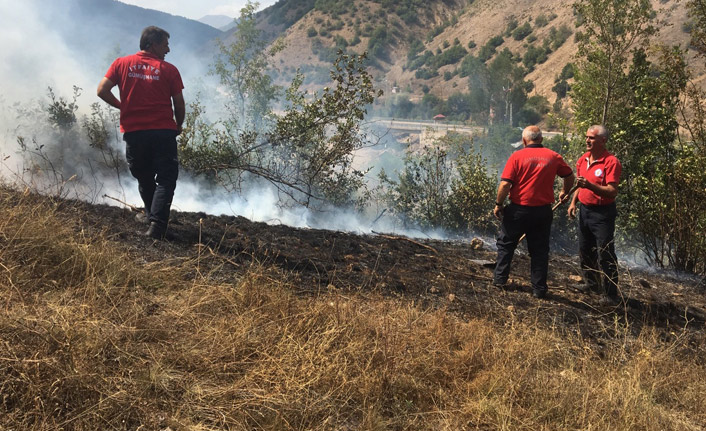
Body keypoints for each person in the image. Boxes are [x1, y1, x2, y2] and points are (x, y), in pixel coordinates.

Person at [97, 26, 185, 239]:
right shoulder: (169, 70)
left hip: (135, 132)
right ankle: (157, 227)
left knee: (144, 176)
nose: (168, 50)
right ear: (152, 44)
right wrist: (179, 124)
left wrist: (123, 106)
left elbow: (101, 90)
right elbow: (178, 103)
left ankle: (151, 216)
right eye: (165, 44)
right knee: (166, 178)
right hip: (163, 132)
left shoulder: (121, 64)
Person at [492, 126, 575, 299]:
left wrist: (498, 204)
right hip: (542, 212)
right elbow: (569, 176)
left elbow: (505, 184)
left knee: (506, 244)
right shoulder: (553, 157)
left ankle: (500, 280)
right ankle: (539, 289)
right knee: (539, 250)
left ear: (524, 141)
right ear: (541, 140)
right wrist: (564, 192)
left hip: (518, 210)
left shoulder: (517, 156)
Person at [568, 125, 622, 305]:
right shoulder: (582, 160)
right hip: (585, 210)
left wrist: (590, 186)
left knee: (605, 252)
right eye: (587, 137)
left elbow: (612, 191)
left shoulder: (611, 162)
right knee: (585, 249)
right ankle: (591, 284)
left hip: (602, 213)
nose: (587, 140)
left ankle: (611, 294)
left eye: (591, 138)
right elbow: (579, 185)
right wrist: (573, 202)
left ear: (603, 141)